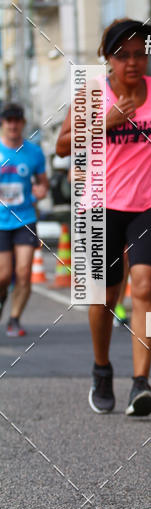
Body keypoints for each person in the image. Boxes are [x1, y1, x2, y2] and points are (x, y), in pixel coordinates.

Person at [56, 19, 151, 415]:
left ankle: (141, 384)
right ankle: (101, 368)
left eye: (140, 54)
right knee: (105, 297)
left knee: (144, 286)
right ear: (107, 58)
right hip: (100, 205)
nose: (133, 62)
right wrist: (104, 123)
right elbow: (62, 146)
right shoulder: (92, 94)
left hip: (148, 201)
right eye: (123, 55)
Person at [0, 102, 48, 338]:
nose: (13, 125)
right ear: (2, 123)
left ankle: (15, 318)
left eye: (17, 120)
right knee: (2, 275)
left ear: (23, 123)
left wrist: (41, 190)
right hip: (0, 221)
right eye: (8, 120)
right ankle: (2, 303)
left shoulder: (34, 153)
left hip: (25, 218)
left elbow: (43, 183)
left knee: (23, 270)